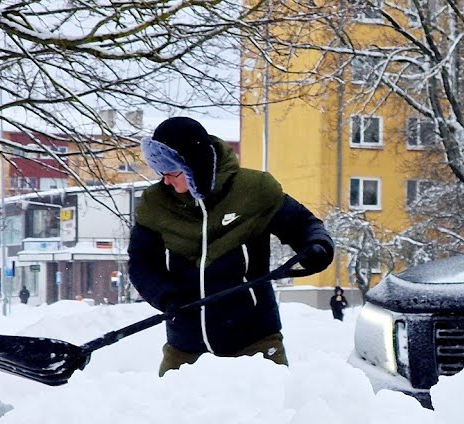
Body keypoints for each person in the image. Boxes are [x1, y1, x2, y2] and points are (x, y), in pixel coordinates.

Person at [127, 117, 333, 376]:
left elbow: (303, 224)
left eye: (172, 172)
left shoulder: (254, 190)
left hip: (255, 342)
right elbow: (141, 264)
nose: (166, 181)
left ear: (195, 166)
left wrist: (317, 245)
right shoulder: (155, 205)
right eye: (161, 173)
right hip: (186, 346)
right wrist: (167, 298)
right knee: (173, 416)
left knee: (273, 414)